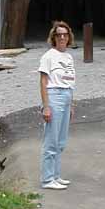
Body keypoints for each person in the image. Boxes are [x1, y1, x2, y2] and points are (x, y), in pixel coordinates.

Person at [38, 21, 76, 190]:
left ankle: (56, 175)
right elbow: (43, 81)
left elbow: (69, 81)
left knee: (60, 141)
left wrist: (71, 104)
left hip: (66, 96)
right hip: (54, 95)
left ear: (69, 37)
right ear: (53, 37)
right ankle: (47, 180)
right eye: (59, 35)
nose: (62, 37)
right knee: (51, 140)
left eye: (65, 35)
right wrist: (46, 106)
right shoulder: (48, 56)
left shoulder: (68, 57)